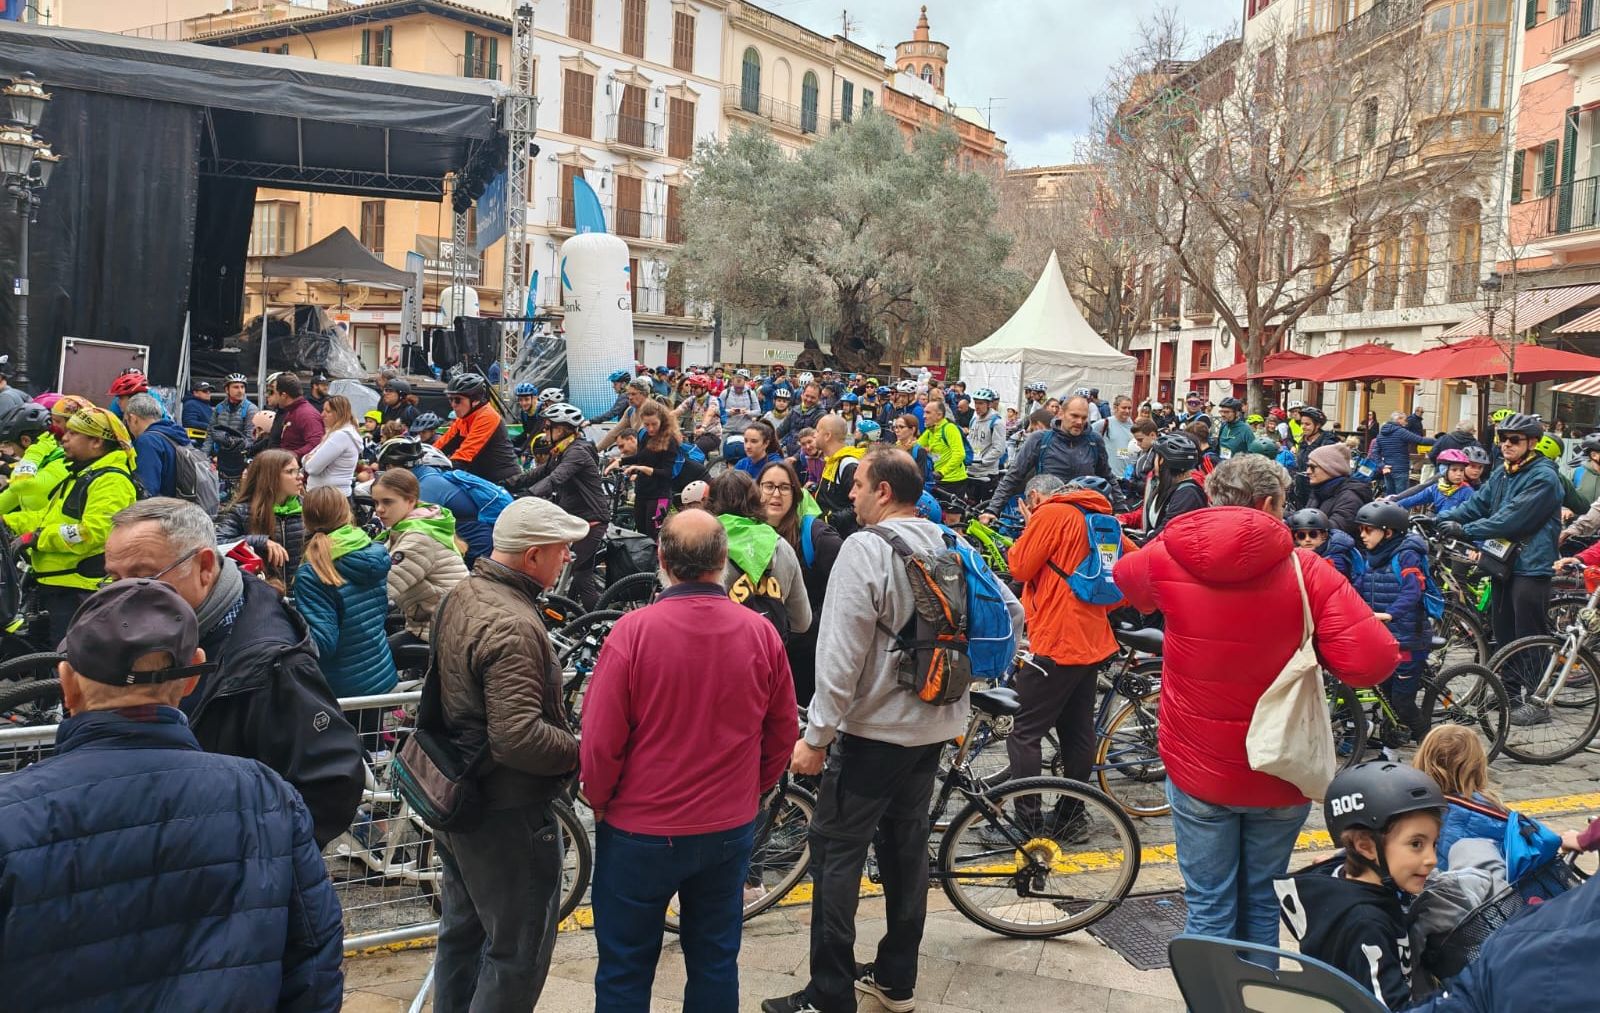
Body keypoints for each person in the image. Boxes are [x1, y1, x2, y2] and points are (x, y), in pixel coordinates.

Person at [0, 579, 344, 1010]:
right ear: (190, 677)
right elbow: (314, 961)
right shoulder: (265, 795)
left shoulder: (10, 813)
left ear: (66, 685)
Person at [763, 449, 1023, 1013]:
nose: (849, 495)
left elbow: (840, 653)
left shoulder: (866, 548)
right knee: (907, 853)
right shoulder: (952, 541)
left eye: (857, 485)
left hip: (873, 735)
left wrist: (818, 736)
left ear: (884, 491)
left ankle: (828, 995)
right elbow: (1009, 613)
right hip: (933, 730)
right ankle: (895, 979)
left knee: (836, 857)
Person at [1113, 453, 1398, 952]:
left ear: (1212, 498)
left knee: (1208, 905)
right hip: (1279, 766)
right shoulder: (1307, 569)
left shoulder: (1167, 554)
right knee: (1263, 901)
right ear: (1269, 504)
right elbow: (1371, 663)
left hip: (1197, 762)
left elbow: (1127, 583)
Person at [582, 510, 796, 1012]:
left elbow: (598, 742)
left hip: (640, 828)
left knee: (624, 969)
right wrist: (753, 790)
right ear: (723, 561)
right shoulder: (760, 634)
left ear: (661, 560)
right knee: (716, 959)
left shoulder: (631, 634)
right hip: (726, 827)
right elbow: (783, 731)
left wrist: (600, 798)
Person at [104, 498, 363, 846]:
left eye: (144, 576)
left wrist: (245, 862)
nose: (124, 594)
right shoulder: (162, 627)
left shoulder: (271, 662)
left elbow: (330, 785)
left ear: (204, 567)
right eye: (113, 579)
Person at [431, 497, 586, 1013]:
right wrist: (580, 751)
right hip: (506, 813)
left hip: (461, 799)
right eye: (561, 548)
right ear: (533, 555)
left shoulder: (465, 592)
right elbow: (517, 737)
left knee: (462, 935)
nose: (567, 558)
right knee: (514, 955)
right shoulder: (514, 624)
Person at [1001, 473, 1134, 839]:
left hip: (1055, 641)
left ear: (1034, 496)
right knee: (1078, 732)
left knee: (1022, 731)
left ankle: (1028, 826)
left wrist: (1030, 528)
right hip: (1092, 639)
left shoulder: (1051, 514)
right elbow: (1131, 567)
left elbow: (1019, 567)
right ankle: (1070, 815)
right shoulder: (1100, 518)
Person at [1275, 762, 1444, 1010]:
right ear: (1365, 846)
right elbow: (1388, 1008)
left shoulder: (1342, 881)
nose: (1431, 859)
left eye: (1434, 844)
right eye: (1416, 844)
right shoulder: (1366, 924)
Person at [1438, 413, 1561, 722]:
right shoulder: (1504, 472)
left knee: (1530, 634)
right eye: (1502, 438)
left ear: (1532, 443)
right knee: (1504, 630)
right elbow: (1478, 504)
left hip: (1532, 565)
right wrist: (1443, 518)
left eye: (1514, 440)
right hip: (1505, 561)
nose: (1506, 444)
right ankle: (1508, 693)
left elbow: (1513, 518)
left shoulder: (1544, 477)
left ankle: (1537, 700)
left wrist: (1466, 530)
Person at [6, 406, 140, 647]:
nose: (64, 438)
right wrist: (9, 523)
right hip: (56, 587)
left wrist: (38, 539)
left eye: (73, 434)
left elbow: (93, 532)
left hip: (77, 592)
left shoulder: (111, 480)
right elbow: (49, 519)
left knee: (64, 668)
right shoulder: (83, 473)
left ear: (97, 441)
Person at [294, 485, 398, 705]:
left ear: (306, 520)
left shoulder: (312, 572)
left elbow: (323, 643)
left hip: (342, 689)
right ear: (347, 513)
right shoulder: (374, 550)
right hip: (381, 672)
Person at [505, 402, 606, 609]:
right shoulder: (561, 451)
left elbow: (554, 479)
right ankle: (570, 615)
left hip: (592, 521)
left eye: (548, 426)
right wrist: (508, 484)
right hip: (576, 519)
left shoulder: (577, 452)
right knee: (571, 573)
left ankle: (601, 628)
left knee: (581, 576)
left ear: (561, 429)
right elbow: (538, 473)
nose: (545, 430)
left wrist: (527, 496)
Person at [757, 459, 841, 706]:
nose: (776, 494)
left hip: (806, 652)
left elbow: (847, 581)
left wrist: (816, 621)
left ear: (795, 494)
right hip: (763, 650)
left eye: (784, 487)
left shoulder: (815, 533)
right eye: (768, 486)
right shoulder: (748, 530)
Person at [1354, 500, 1432, 742]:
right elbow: (1358, 588)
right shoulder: (1372, 556)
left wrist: (1391, 613)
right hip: (1385, 638)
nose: (1362, 535)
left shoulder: (1407, 555)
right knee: (1386, 694)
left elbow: (1413, 590)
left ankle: (1428, 741)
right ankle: (1394, 739)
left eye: (1368, 529)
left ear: (1388, 532)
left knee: (1402, 701)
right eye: (1360, 529)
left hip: (1408, 639)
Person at [981, 396, 1121, 524]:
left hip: (1083, 519)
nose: (1080, 422)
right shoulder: (1040, 439)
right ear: (1061, 413)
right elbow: (1013, 476)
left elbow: (1108, 476)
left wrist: (1122, 510)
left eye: (1084, 418)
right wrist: (992, 510)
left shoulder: (1094, 441)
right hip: (1046, 518)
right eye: (1074, 416)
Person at [708, 471, 812, 640]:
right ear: (756, 500)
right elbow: (802, 623)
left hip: (720, 655)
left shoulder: (706, 545)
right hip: (769, 657)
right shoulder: (781, 546)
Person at [371, 467, 468, 648]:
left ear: (411, 501)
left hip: (444, 630)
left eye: (387, 502)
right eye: (375, 503)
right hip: (433, 621)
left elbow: (382, 585)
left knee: (373, 662)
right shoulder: (412, 526)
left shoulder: (418, 538)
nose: (380, 510)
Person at [375, 437, 509, 566]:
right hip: (470, 538)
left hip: (475, 543)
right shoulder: (427, 474)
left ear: (393, 466)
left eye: (387, 467)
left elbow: (405, 526)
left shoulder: (425, 485)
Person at [214, 448, 306, 592]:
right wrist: (260, 541)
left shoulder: (307, 507)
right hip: (261, 595)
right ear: (270, 477)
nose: (300, 476)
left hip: (302, 595)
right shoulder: (243, 511)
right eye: (290, 471)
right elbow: (217, 544)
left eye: (298, 470)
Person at [612, 399, 680, 540]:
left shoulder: (670, 440)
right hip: (642, 491)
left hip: (660, 494)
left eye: (654, 424)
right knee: (641, 533)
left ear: (662, 420)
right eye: (646, 424)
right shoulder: (644, 435)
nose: (650, 429)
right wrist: (620, 461)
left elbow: (667, 473)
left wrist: (642, 468)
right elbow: (640, 457)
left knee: (653, 534)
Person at [437, 372, 520, 484]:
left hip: (504, 481)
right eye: (450, 399)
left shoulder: (487, 416)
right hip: (483, 478)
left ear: (475, 400)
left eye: (457, 400)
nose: (453, 404)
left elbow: (463, 457)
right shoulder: (464, 418)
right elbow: (441, 445)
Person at [1120, 431, 1207, 536]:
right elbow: (1150, 510)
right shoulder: (1163, 481)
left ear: (1162, 461)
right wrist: (1123, 519)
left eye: (1155, 457)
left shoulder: (1187, 493)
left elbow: (1164, 534)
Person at [122, 392, 190, 499]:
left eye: (127, 422)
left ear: (133, 418)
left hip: (163, 511)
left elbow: (147, 491)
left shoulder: (147, 442)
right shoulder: (175, 433)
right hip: (183, 506)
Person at [0, 404, 65, 516]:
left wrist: (36, 450)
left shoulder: (61, 463)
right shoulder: (41, 460)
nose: (12, 452)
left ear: (25, 441)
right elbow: (11, 495)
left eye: (9, 444)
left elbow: (20, 484)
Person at [812, 413, 865, 537]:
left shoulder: (848, 465)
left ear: (827, 436)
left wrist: (829, 520)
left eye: (817, 431)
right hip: (828, 533)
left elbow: (859, 506)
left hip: (842, 538)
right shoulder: (832, 460)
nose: (814, 434)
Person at [299, 394, 363, 492]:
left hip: (327, 497)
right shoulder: (339, 434)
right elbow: (306, 459)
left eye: (328, 411)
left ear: (339, 413)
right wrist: (307, 459)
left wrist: (309, 459)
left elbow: (312, 468)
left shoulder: (341, 436)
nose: (322, 415)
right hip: (330, 493)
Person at [1307, 443, 1373, 537]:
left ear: (1330, 469)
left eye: (1313, 467)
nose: (1308, 471)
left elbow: (1334, 532)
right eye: (1308, 466)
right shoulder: (1319, 490)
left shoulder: (1351, 497)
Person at [1287, 507, 1362, 582]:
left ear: (1324, 536)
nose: (1307, 539)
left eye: (1313, 534)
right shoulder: (1295, 556)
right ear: (1296, 538)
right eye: (1301, 536)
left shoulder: (1335, 559)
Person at [917, 397, 969, 500]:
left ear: (939, 415)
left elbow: (960, 454)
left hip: (953, 480)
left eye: (928, 413)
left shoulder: (949, 428)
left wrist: (942, 472)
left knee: (952, 516)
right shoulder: (930, 431)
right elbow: (915, 447)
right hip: (937, 480)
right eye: (924, 413)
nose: (924, 416)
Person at [1396, 448, 1475, 514]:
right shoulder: (1436, 488)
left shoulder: (1467, 491)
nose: (1459, 474)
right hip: (1437, 529)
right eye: (1454, 470)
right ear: (1444, 470)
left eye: (1461, 470)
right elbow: (1412, 500)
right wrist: (1393, 505)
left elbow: (1473, 513)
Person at [268, 372, 325, 459]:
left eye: (274, 392)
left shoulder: (307, 415)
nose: (272, 395)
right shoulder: (291, 411)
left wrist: (293, 455)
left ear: (283, 395)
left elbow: (316, 443)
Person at [1374, 410, 1430, 496]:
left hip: (1387, 469)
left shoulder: (1381, 434)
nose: (1406, 423)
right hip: (1401, 469)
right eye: (1405, 420)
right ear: (1399, 419)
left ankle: (1389, 510)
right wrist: (1440, 441)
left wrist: (1382, 465)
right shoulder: (1401, 432)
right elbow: (1420, 440)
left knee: (1390, 497)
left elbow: (1375, 453)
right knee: (1402, 497)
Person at [966, 387, 1007, 503]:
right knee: (970, 507)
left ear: (989, 404)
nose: (977, 406)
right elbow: (970, 441)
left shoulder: (997, 423)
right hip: (971, 471)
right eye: (975, 403)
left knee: (984, 508)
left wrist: (983, 461)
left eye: (981, 403)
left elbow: (999, 449)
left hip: (987, 473)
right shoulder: (974, 420)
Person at [598, 376, 655, 453]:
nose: (630, 397)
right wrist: (595, 450)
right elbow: (614, 433)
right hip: (639, 454)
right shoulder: (630, 410)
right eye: (628, 394)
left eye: (633, 394)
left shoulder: (652, 410)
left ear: (644, 394)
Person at [891, 412, 936, 490]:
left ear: (912, 429)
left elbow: (920, 479)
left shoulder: (919, 450)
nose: (897, 430)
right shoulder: (894, 447)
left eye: (901, 427)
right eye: (895, 427)